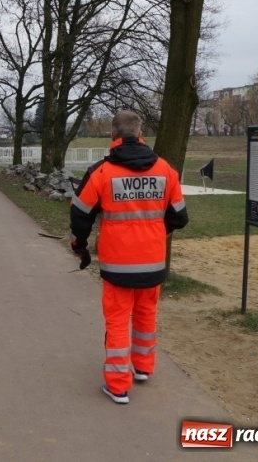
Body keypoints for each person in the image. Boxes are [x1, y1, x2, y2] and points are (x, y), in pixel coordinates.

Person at [69, 110, 188, 404]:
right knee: (146, 314)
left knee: (118, 320)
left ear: (113, 136)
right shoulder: (165, 170)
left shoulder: (101, 172)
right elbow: (180, 217)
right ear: (140, 133)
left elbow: (80, 214)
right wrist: (159, 232)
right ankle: (144, 367)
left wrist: (80, 244)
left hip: (118, 263)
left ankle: (118, 384)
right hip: (153, 260)